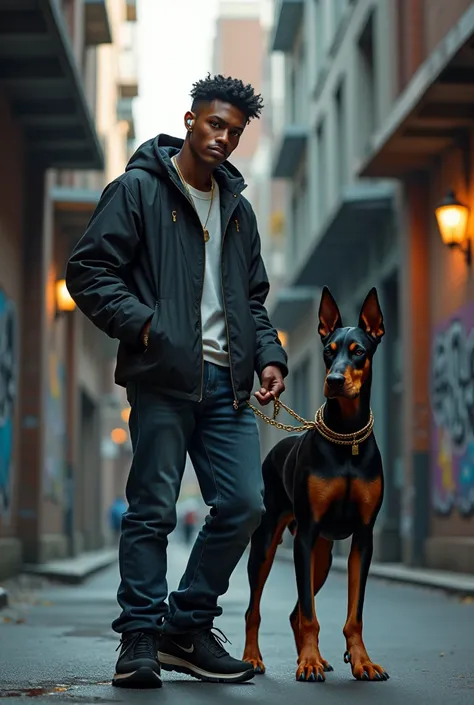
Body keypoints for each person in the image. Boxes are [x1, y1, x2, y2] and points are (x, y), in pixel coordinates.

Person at [65, 73, 288, 689]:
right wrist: (146, 327)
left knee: (244, 504)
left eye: (235, 132)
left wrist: (269, 355)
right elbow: (87, 271)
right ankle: (138, 638)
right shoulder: (137, 190)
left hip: (230, 387)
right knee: (152, 510)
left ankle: (184, 628)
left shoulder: (239, 212)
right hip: (163, 377)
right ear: (189, 120)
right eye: (215, 124)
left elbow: (253, 299)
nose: (223, 139)